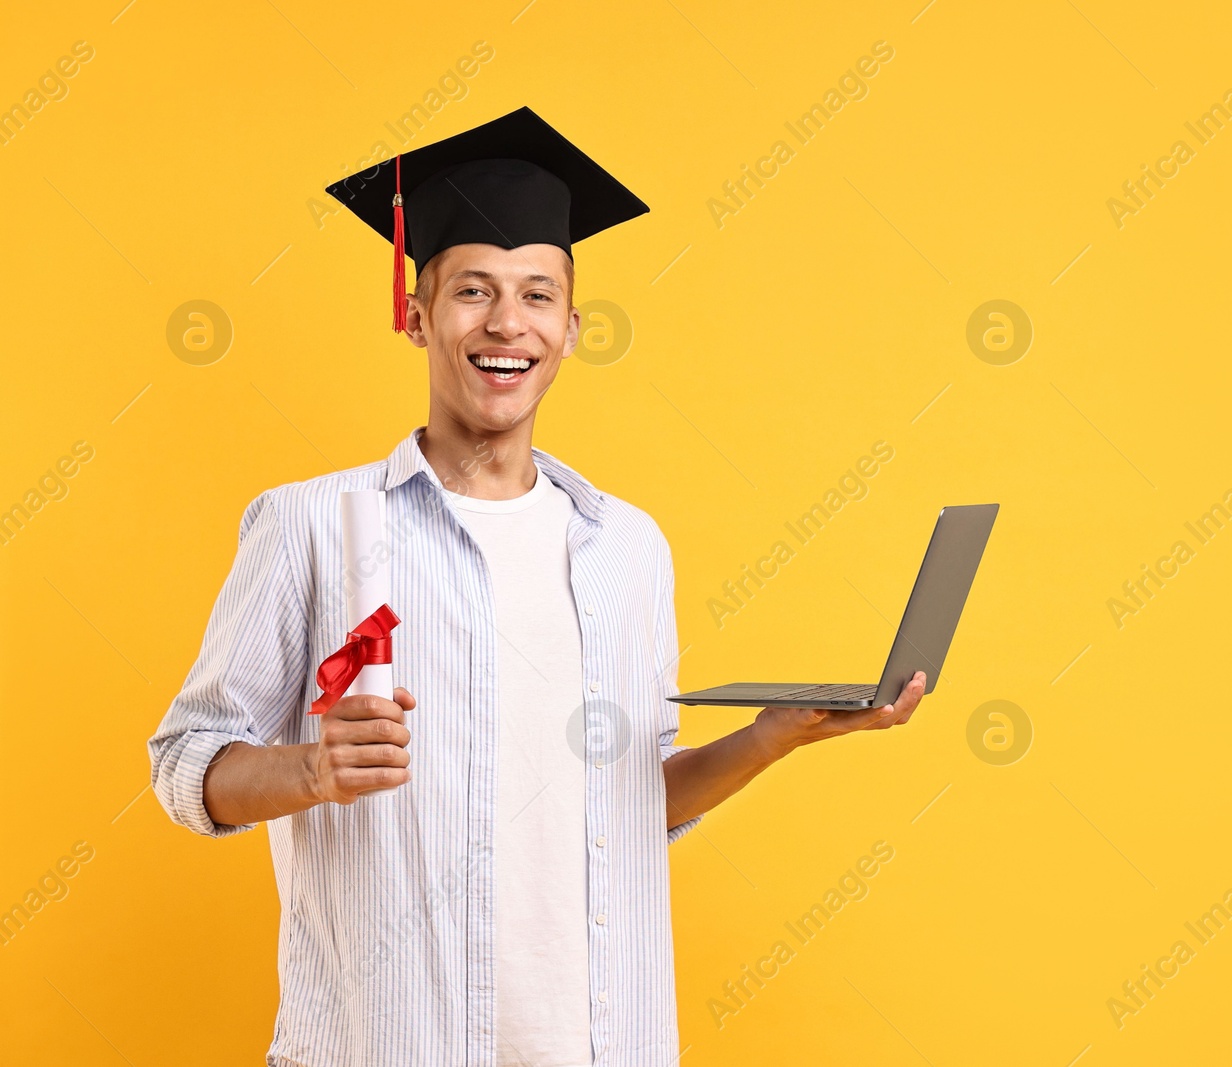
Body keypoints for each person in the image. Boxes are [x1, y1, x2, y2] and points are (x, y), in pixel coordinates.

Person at [146, 106, 926, 1067]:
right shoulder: (309, 523)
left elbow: (632, 805)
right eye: (473, 290)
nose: (506, 323)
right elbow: (186, 767)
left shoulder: (626, 547)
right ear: (417, 314)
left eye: (537, 294)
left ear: (571, 327)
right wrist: (313, 769)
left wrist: (768, 739)